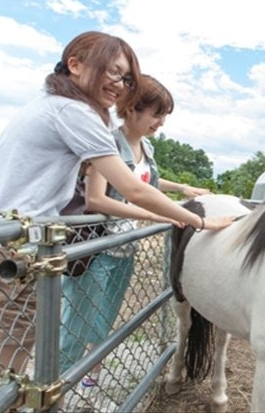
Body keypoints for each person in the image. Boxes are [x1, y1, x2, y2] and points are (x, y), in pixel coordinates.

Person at [0, 31, 234, 412]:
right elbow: (132, 188)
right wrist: (200, 223)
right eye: (112, 73)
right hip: (1, 258)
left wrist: (179, 195)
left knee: (1, 380)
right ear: (75, 64)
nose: (120, 85)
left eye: (127, 78)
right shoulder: (74, 113)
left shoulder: (54, 105)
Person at [59, 74, 209, 389]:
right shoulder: (107, 143)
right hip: (97, 248)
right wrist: (152, 213)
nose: (161, 122)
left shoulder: (146, 147)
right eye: (156, 114)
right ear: (131, 109)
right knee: (77, 322)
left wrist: (181, 187)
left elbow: (145, 182)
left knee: (102, 319)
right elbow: (96, 198)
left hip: (124, 248)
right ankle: (56, 384)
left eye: (164, 116)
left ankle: (90, 378)